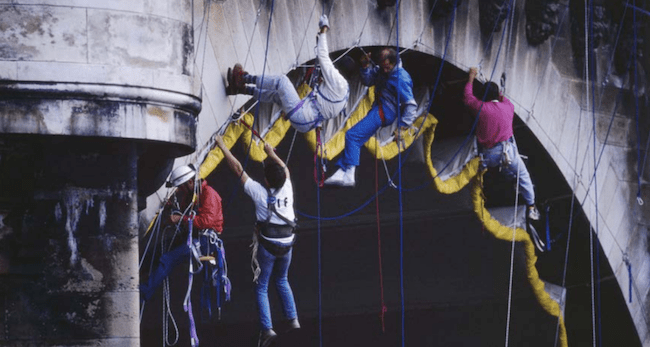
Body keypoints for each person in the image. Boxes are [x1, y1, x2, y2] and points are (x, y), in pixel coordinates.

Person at [215, 136, 299, 347]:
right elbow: (285, 169)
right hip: (287, 243)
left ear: (268, 181)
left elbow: (237, 169)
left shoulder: (260, 193)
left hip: (269, 245)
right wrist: (271, 153)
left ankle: (267, 329)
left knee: (262, 287)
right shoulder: (287, 186)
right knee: (282, 280)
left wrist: (223, 145)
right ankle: (293, 319)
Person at [226, 14, 352, 133]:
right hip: (305, 124)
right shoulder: (343, 100)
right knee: (277, 96)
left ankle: (243, 78)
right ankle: (242, 90)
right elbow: (324, 108)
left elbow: (324, 57)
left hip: (302, 115)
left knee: (282, 81)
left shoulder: (339, 84)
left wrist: (323, 31)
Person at [324, 47, 418, 187]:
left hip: (384, 112)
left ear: (394, 62)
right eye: (383, 66)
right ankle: (342, 170)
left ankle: (349, 175)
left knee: (352, 135)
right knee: (357, 139)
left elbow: (411, 105)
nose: (384, 70)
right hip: (378, 109)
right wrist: (365, 66)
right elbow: (368, 81)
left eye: (387, 67)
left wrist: (402, 127)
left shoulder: (401, 78)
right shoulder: (382, 70)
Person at [463, 67, 540, 221]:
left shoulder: (481, 108)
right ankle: (531, 206)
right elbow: (503, 98)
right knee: (523, 175)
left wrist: (471, 78)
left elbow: (468, 98)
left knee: (477, 171)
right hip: (507, 152)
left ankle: (472, 194)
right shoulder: (509, 107)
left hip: (488, 155)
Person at [140, 164, 224, 302]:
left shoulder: (209, 194)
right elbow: (186, 214)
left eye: (181, 186)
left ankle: (143, 293)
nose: (179, 190)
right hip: (194, 236)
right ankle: (141, 276)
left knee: (167, 259)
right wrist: (171, 209)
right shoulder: (192, 195)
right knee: (157, 250)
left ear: (190, 182)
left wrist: (181, 218)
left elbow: (205, 221)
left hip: (205, 242)